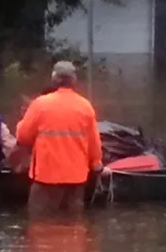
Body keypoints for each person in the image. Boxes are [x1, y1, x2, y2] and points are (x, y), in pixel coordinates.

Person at [16, 61, 110, 217]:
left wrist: (22, 121)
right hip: (76, 179)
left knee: (40, 224)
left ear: (54, 78)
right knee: (73, 224)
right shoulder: (85, 106)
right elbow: (94, 143)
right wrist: (98, 167)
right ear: (74, 81)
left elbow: (23, 137)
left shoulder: (40, 104)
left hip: (46, 177)